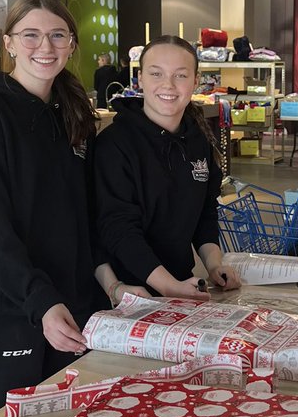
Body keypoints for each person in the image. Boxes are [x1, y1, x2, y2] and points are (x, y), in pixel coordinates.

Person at [0, 0, 111, 417]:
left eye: (58, 35)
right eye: (32, 35)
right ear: (9, 44)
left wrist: (108, 286)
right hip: (7, 312)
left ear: (72, 44)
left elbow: (84, 217)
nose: (46, 47)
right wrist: (38, 301)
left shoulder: (72, 115)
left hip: (70, 307)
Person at [95, 35, 240, 301]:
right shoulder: (113, 145)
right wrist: (167, 286)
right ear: (140, 79)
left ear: (196, 81)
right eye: (156, 74)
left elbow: (205, 212)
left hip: (181, 285)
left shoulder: (198, 140)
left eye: (181, 76)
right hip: (127, 292)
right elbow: (117, 228)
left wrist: (214, 265)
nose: (168, 85)